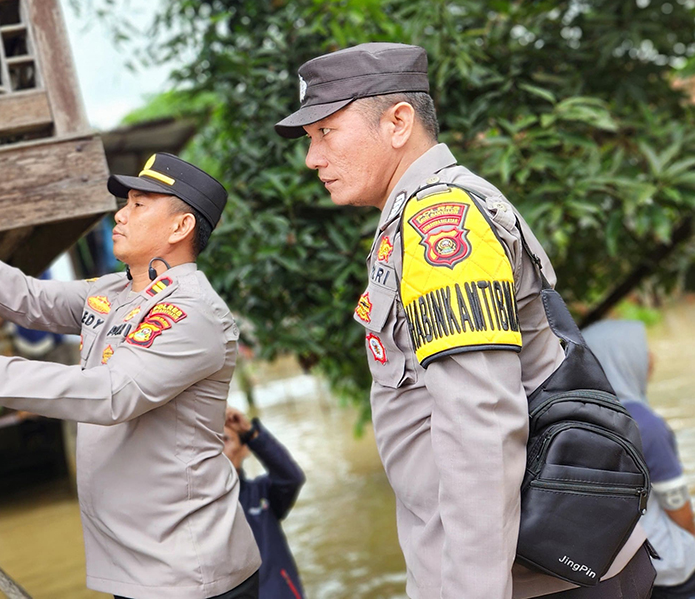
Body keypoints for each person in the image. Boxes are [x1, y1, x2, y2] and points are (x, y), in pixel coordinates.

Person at [273, 42, 653, 598]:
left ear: (398, 122)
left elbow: (481, 425)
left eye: (326, 132)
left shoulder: (439, 220)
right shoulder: (415, 213)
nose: (312, 158)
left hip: (537, 578)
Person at [0, 153, 262, 599]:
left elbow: (110, 394)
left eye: (139, 205)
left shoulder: (191, 313)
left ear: (179, 227)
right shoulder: (113, 291)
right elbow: (26, 296)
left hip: (188, 572)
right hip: (138, 565)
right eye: (125, 202)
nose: (120, 214)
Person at [585, 320, 695, 598]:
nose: (651, 358)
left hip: (615, 566)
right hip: (669, 567)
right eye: (643, 350)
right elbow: (677, 508)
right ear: (622, 356)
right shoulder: (644, 423)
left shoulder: (580, 416)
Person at [223, 408, 307, 598]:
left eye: (226, 440)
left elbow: (291, 477)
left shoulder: (262, 494)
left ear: (244, 449)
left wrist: (250, 432)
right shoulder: (198, 506)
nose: (218, 449)